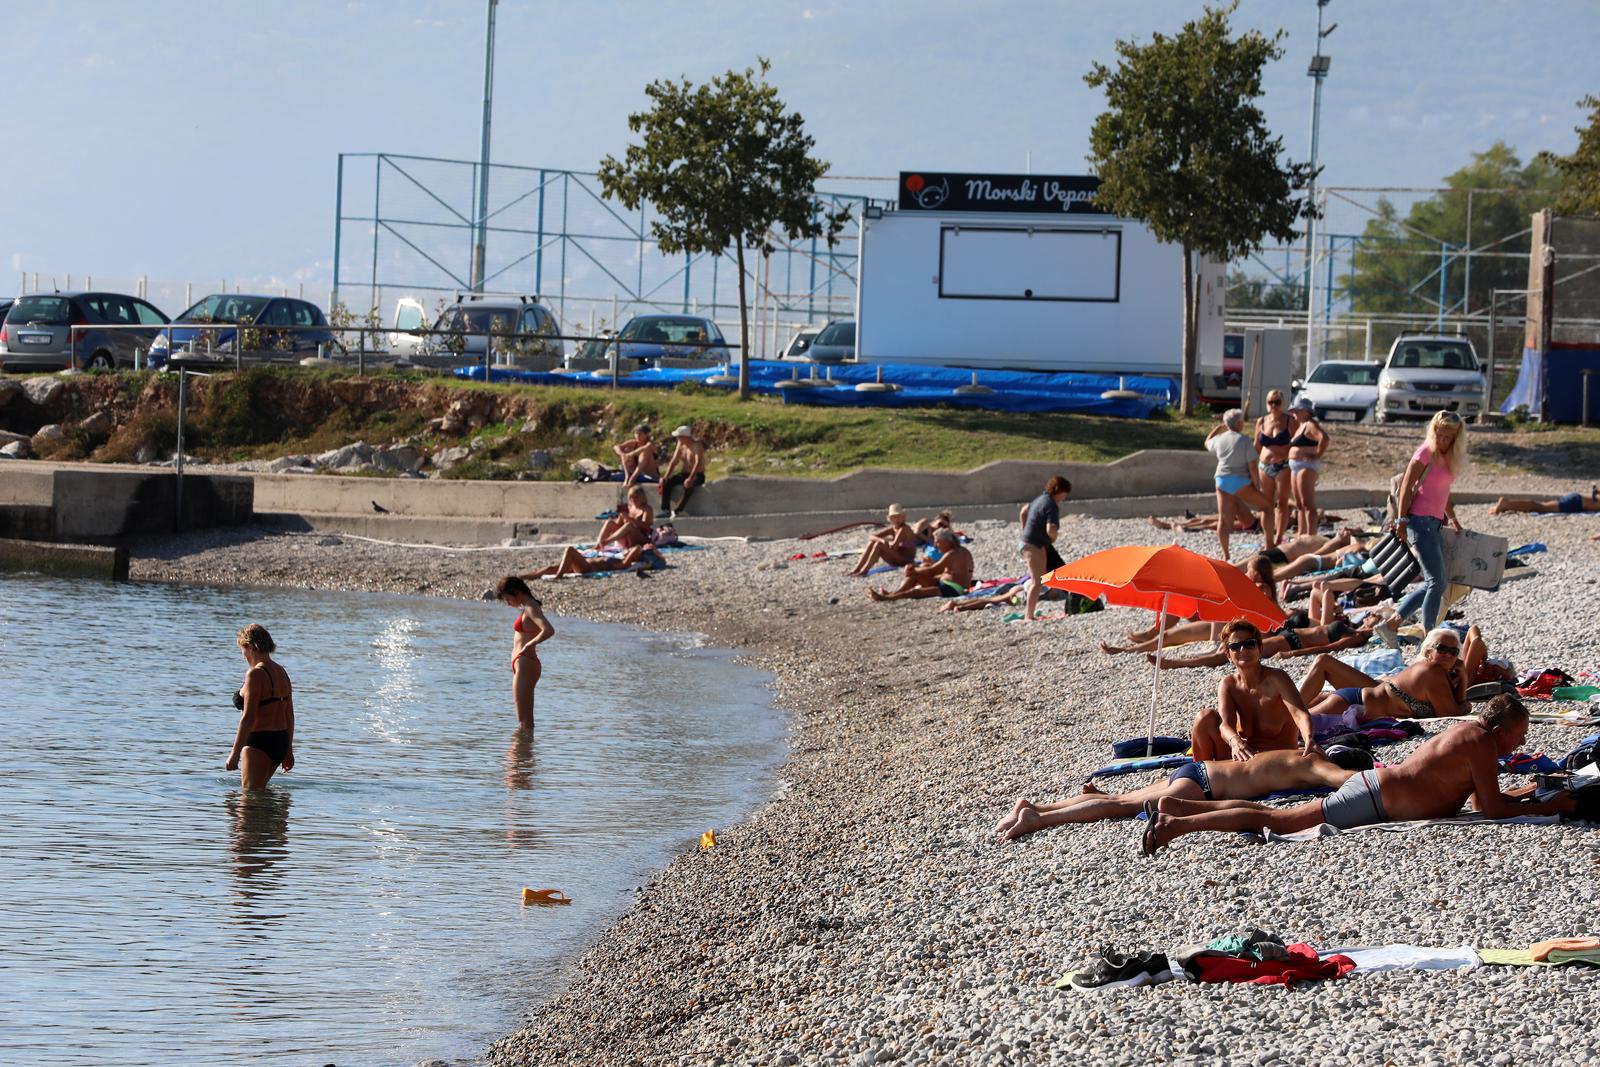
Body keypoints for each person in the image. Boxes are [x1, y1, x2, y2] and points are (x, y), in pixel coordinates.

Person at [1141, 696, 1576, 855]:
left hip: (1374, 788)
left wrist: (1529, 791)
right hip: (1373, 798)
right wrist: (1553, 805)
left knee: (1269, 814)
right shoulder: (1480, 744)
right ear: (1499, 730)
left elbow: (1484, 801)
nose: (1519, 745)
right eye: (1518, 738)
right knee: (1274, 820)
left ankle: (1182, 807)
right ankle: (1178, 825)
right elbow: (1494, 810)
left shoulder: (1472, 736)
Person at [995, 750, 1357, 842]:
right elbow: (1343, 778)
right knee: (1123, 806)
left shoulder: (1290, 753)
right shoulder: (1312, 762)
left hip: (1199, 769)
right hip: (1204, 786)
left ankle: (1035, 806)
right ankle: (1041, 819)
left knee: (1121, 797)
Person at [1186, 619, 1318, 762]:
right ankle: (1200, 773)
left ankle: (1209, 777)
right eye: (1235, 646)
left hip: (1279, 760)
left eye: (1249, 644)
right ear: (1228, 655)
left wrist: (1309, 738)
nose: (1243, 650)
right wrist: (1235, 741)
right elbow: (1225, 725)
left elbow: (1300, 714)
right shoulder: (1229, 684)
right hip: (1246, 757)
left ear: (1260, 648)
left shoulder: (1277, 678)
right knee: (1204, 717)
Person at [1297, 626, 1470, 729]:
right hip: (1354, 704)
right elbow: (1451, 713)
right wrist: (1465, 697)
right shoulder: (1431, 671)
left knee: (1294, 727)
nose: (1448, 655)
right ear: (1428, 651)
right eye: (1442, 649)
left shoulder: (1438, 675)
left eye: (1454, 652)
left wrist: (1462, 676)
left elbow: (1454, 708)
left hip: (1357, 702)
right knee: (1293, 726)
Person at [1392, 410, 1467, 631]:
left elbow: (1444, 492)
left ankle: (1392, 623)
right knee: (1437, 582)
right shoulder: (1425, 452)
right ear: (1433, 432)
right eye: (1440, 435)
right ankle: (1429, 633)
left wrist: (1453, 519)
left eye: (1448, 437)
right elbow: (1406, 485)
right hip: (1418, 521)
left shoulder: (1449, 458)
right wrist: (1401, 520)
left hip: (1435, 523)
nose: (1443, 440)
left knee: (1433, 582)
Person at [226, 624, 295, 790]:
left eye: (243, 649)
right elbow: (289, 715)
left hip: (259, 743)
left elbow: (248, 717)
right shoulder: (281, 672)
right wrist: (288, 749)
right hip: (279, 741)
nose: (243, 655)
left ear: (250, 647)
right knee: (259, 796)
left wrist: (234, 754)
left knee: (249, 802)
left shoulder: (255, 674)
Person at [1204, 409, 1275, 560]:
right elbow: (1252, 466)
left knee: (1223, 519)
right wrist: (1256, 484)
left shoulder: (1219, 439)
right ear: (1238, 423)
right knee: (1267, 507)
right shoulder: (1244, 440)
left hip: (1221, 479)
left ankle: (1225, 554)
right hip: (1240, 480)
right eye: (1242, 420)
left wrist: (1219, 428)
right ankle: (1270, 545)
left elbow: (1206, 442)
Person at [496, 576, 556, 728]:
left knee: (524, 722)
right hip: (523, 664)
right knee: (525, 722)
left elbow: (548, 630)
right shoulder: (529, 606)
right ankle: (526, 751)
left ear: (516, 592)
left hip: (525, 663)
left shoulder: (530, 607)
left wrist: (530, 644)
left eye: (507, 599)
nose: (508, 604)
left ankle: (521, 751)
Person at [868, 528, 974, 602]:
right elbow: (948, 571)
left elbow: (933, 570)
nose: (935, 546)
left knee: (917, 591)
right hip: (951, 584)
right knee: (919, 571)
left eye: (938, 542)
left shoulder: (952, 554)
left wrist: (913, 570)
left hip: (954, 589)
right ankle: (893, 594)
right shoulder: (962, 551)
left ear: (946, 541)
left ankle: (888, 598)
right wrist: (917, 570)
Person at [1018, 476, 1072, 621]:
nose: (1065, 498)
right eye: (1065, 494)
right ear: (1060, 491)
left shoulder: (1039, 499)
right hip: (1034, 545)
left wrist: (1025, 531)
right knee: (1037, 581)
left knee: (1049, 573)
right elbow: (1051, 529)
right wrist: (1052, 538)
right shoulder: (1052, 505)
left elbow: (1024, 511)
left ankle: (1055, 595)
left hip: (1029, 543)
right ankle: (1028, 616)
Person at [1255, 390, 1295, 547]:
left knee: (1282, 503)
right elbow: (1256, 445)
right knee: (1266, 505)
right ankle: (1268, 540)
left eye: (1277, 402)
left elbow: (1296, 441)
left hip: (1283, 466)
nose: (1274, 405)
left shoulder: (1289, 421)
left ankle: (1279, 536)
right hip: (1264, 465)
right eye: (1270, 402)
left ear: (1282, 403)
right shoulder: (1261, 421)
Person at [1287, 397, 1329, 536]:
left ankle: (1311, 535)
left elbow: (1324, 438)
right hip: (1296, 465)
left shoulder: (1311, 424)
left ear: (1306, 411)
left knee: (1308, 505)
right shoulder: (1301, 425)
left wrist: (1317, 454)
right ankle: (1301, 532)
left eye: (1297, 410)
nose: (1294, 413)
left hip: (1306, 466)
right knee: (1299, 504)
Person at [848, 504, 920, 576]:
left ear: (903, 517)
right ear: (890, 519)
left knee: (878, 545)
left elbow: (894, 546)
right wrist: (882, 540)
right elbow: (871, 536)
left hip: (906, 560)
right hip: (897, 558)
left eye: (899, 517)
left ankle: (864, 570)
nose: (897, 519)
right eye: (894, 517)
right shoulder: (893, 528)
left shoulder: (904, 528)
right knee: (873, 542)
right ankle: (857, 569)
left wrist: (885, 541)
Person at [521, 543, 663, 579]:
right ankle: (523, 577)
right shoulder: (618, 557)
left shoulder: (623, 563)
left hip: (588, 568)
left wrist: (642, 549)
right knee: (549, 568)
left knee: (570, 550)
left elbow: (637, 549)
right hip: (585, 565)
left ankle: (559, 576)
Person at [659, 425, 706, 518]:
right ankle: (665, 509)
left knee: (689, 485)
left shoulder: (697, 445)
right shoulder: (680, 445)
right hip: (684, 473)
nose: (677, 438)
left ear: (685, 437)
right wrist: (666, 476)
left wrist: (690, 478)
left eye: (679, 437)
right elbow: (674, 461)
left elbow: (697, 462)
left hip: (697, 474)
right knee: (667, 483)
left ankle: (678, 510)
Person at [594, 486, 654, 550]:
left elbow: (645, 526)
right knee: (609, 522)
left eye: (636, 497)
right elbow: (618, 525)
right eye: (631, 497)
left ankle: (605, 542)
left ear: (642, 497)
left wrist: (629, 519)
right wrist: (621, 517)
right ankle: (598, 544)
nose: (633, 499)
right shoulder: (629, 507)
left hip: (641, 538)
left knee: (629, 525)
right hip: (627, 538)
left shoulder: (647, 509)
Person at [1489, 484, 1599, 515]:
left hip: (1576, 500)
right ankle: (1506, 504)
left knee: (1541, 506)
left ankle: (1507, 506)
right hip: (1576, 503)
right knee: (1541, 508)